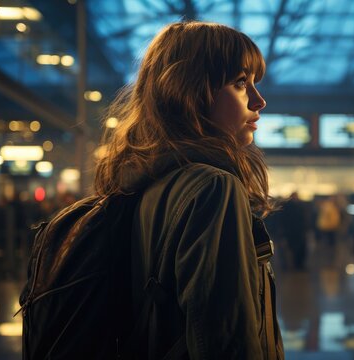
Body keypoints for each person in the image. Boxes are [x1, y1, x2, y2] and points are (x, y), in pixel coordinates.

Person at [93, 21, 284, 358]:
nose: (259, 100)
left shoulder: (141, 184)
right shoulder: (213, 188)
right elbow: (226, 342)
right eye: (241, 83)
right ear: (190, 91)